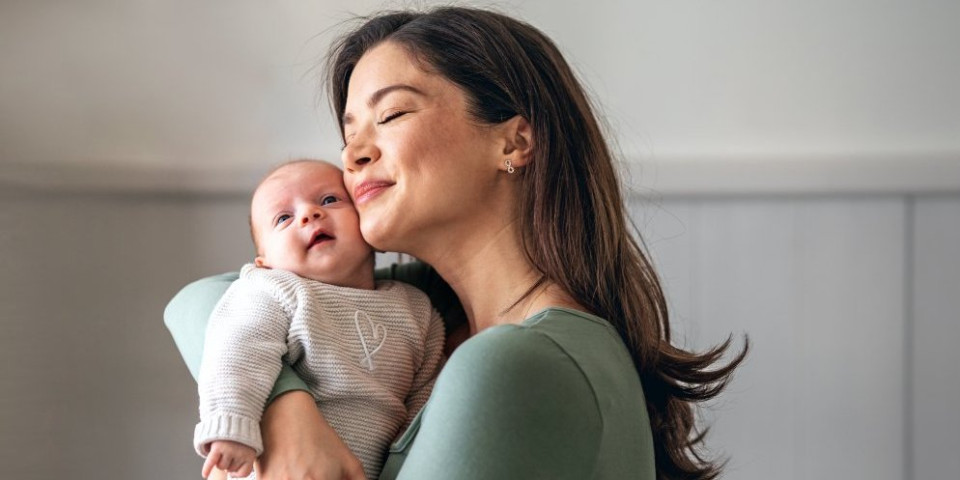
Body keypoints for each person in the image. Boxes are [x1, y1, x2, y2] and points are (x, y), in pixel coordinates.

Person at [165, 7, 748, 480]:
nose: (354, 155)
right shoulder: (427, 307)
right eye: (348, 134)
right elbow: (200, 301)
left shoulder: (511, 363)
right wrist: (287, 412)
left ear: (513, 142)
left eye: (391, 114)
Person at [192, 159, 445, 479]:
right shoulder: (273, 289)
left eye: (329, 200)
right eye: (283, 218)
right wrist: (231, 425)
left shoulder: (416, 309)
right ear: (264, 263)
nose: (309, 214)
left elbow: (425, 399)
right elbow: (237, 348)